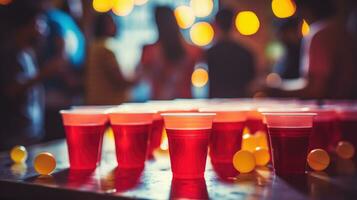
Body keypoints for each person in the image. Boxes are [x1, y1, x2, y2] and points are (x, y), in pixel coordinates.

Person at [0, 1, 64, 150]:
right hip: (12, 138)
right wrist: (45, 73)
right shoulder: (9, 53)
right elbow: (11, 89)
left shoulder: (28, 52)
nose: (43, 29)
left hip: (29, 135)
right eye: (39, 22)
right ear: (25, 24)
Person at [267, 0, 357, 99]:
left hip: (331, 108)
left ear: (306, 9)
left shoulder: (319, 34)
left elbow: (314, 90)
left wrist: (274, 89)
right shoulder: (343, 30)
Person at [137, 6, 202, 100]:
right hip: (186, 103)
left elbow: (140, 78)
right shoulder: (193, 50)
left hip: (159, 104)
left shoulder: (149, 51)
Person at [206, 8, 255, 98]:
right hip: (241, 101)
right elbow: (251, 80)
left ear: (216, 25)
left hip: (216, 102)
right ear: (234, 24)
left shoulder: (211, 53)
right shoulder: (245, 51)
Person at [85, 13, 132, 105]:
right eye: (112, 23)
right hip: (110, 105)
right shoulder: (106, 47)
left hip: (96, 102)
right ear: (105, 26)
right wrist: (140, 76)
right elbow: (119, 80)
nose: (116, 26)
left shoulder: (94, 45)